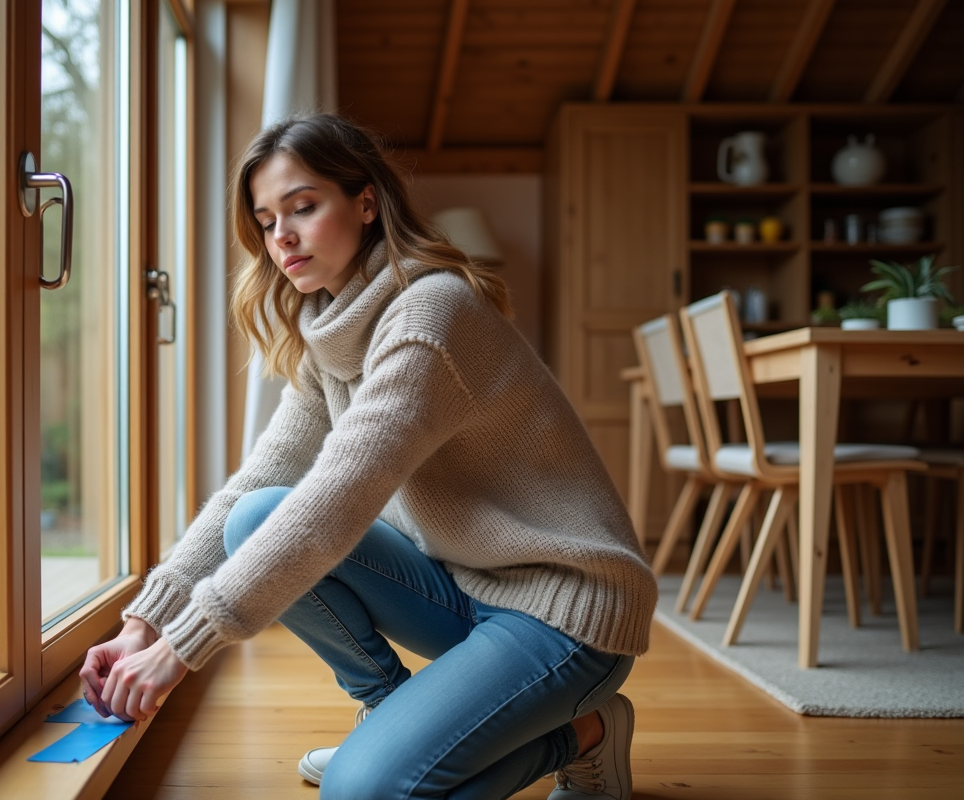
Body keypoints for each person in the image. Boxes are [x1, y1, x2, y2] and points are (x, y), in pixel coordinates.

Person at [80, 112, 657, 800]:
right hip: (469, 587)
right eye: (266, 221)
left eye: (303, 206)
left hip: (568, 614)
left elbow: (335, 504)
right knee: (255, 517)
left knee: (361, 793)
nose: (281, 236)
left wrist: (182, 649)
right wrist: (146, 620)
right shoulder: (330, 331)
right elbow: (259, 486)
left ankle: (583, 734)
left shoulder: (429, 315)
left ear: (365, 201)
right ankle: (390, 711)